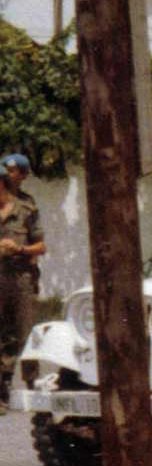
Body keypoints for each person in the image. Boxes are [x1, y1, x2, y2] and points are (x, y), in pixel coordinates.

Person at [0, 154, 45, 377]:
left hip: (21, 277)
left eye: (12, 171)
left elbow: (40, 246)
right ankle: (3, 393)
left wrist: (20, 249)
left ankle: (33, 387)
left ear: (24, 175)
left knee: (27, 334)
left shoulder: (27, 206)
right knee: (3, 336)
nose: (7, 175)